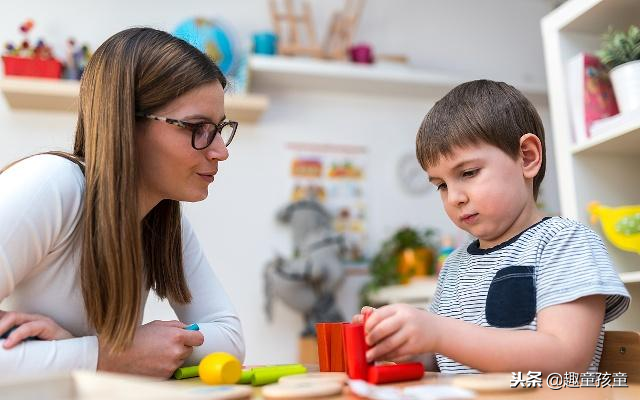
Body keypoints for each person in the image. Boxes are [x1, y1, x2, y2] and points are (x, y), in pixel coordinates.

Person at [0, 27, 244, 378]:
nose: (221, 150)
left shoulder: (164, 218)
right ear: (127, 123)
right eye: (197, 127)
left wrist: (88, 351)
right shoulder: (50, 185)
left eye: (219, 128)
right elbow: (114, 357)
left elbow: (229, 339)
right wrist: (105, 357)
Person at [355, 80, 630, 374]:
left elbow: (566, 359)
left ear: (527, 157)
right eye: (442, 186)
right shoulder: (455, 266)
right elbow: (446, 362)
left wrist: (437, 332)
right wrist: (407, 346)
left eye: (469, 172)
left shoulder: (565, 243)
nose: (456, 197)